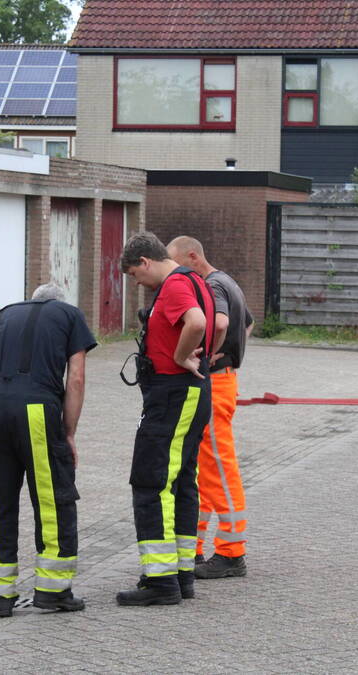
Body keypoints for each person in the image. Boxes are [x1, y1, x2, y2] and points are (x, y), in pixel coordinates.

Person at [0, 282, 97, 618]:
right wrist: (68, 432)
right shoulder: (69, 315)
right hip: (38, 412)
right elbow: (76, 379)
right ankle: (53, 591)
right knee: (52, 499)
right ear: (58, 304)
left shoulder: (3, 316)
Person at [116, 232, 215, 606]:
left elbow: (197, 324)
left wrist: (178, 357)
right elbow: (213, 326)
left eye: (134, 276)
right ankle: (181, 573)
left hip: (172, 393)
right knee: (181, 480)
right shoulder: (194, 281)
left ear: (145, 262)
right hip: (187, 393)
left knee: (151, 481)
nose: (138, 284)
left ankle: (159, 580)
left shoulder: (174, 286)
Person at [167, 236, 253, 579]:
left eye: (179, 265)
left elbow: (220, 323)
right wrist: (231, 350)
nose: (176, 275)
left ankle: (232, 553)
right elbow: (246, 322)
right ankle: (195, 546)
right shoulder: (228, 281)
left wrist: (207, 351)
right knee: (202, 469)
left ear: (192, 256)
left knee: (218, 466)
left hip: (215, 382)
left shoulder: (212, 285)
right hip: (223, 381)